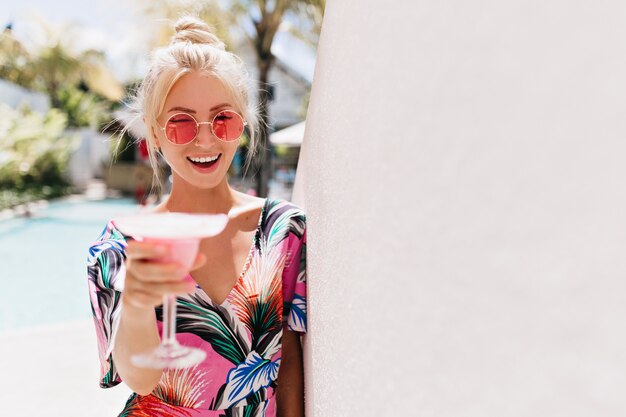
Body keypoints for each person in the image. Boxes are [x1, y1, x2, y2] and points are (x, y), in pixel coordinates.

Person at [87, 16, 307, 417]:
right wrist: (136, 299)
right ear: (154, 134)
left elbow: (290, 363)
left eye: (223, 118)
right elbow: (138, 378)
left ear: (242, 126)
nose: (205, 138)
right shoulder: (122, 242)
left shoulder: (284, 229)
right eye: (181, 123)